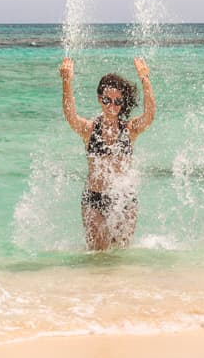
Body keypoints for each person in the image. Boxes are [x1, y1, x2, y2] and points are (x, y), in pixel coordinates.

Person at [59, 56, 156, 251]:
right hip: (94, 199)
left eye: (117, 101)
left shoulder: (129, 129)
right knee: (97, 254)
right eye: (106, 100)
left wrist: (145, 78)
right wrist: (66, 81)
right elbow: (70, 115)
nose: (112, 106)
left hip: (124, 199)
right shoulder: (89, 129)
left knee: (120, 252)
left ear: (123, 102)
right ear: (99, 99)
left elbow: (149, 115)